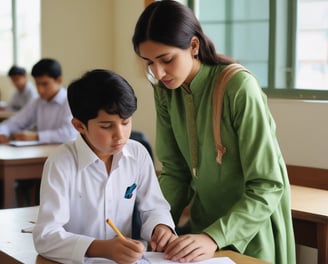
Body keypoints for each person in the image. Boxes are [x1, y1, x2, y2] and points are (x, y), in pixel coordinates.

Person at [132, 1, 296, 264]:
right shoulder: (165, 91)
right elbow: (175, 172)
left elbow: (267, 185)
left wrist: (214, 237)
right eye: (149, 63)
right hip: (200, 234)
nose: (158, 73)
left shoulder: (240, 87)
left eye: (166, 60)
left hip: (250, 232)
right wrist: (159, 223)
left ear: (194, 46)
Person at [33, 69, 176, 263]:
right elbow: (46, 237)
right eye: (107, 126)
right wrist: (100, 248)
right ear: (79, 126)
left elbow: (153, 208)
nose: (120, 135)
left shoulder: (137, 154)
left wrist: (161, 227)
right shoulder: (61, 162)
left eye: (125, 122)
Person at [0, 58, 77, 144]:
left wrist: (36, 136)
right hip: (42, 152)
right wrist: (3, 132)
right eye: (37, 84)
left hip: (66, 153)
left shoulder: (70, 100)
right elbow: (15, 122)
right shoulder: (38, 102)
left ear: (59, 80)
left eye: (45, 84)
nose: (40, 90)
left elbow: (69, 134)